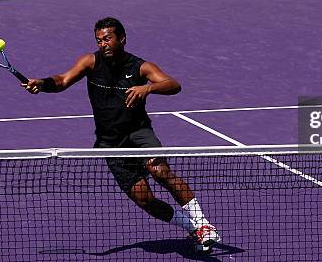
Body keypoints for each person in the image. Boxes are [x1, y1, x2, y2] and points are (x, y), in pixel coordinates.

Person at [23, 17, 220, 252]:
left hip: (138, 132)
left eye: (107, 39)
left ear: (122, 39)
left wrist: (148, 88)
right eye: (99, 40)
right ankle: (192, 227)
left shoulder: (140, 67)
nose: (103, 44)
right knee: (143, 198)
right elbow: (63, 80)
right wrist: (43, 83)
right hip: (110, 142)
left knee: (160, 171)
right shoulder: (90, 62)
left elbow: (173, 85)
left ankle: (204, 224)